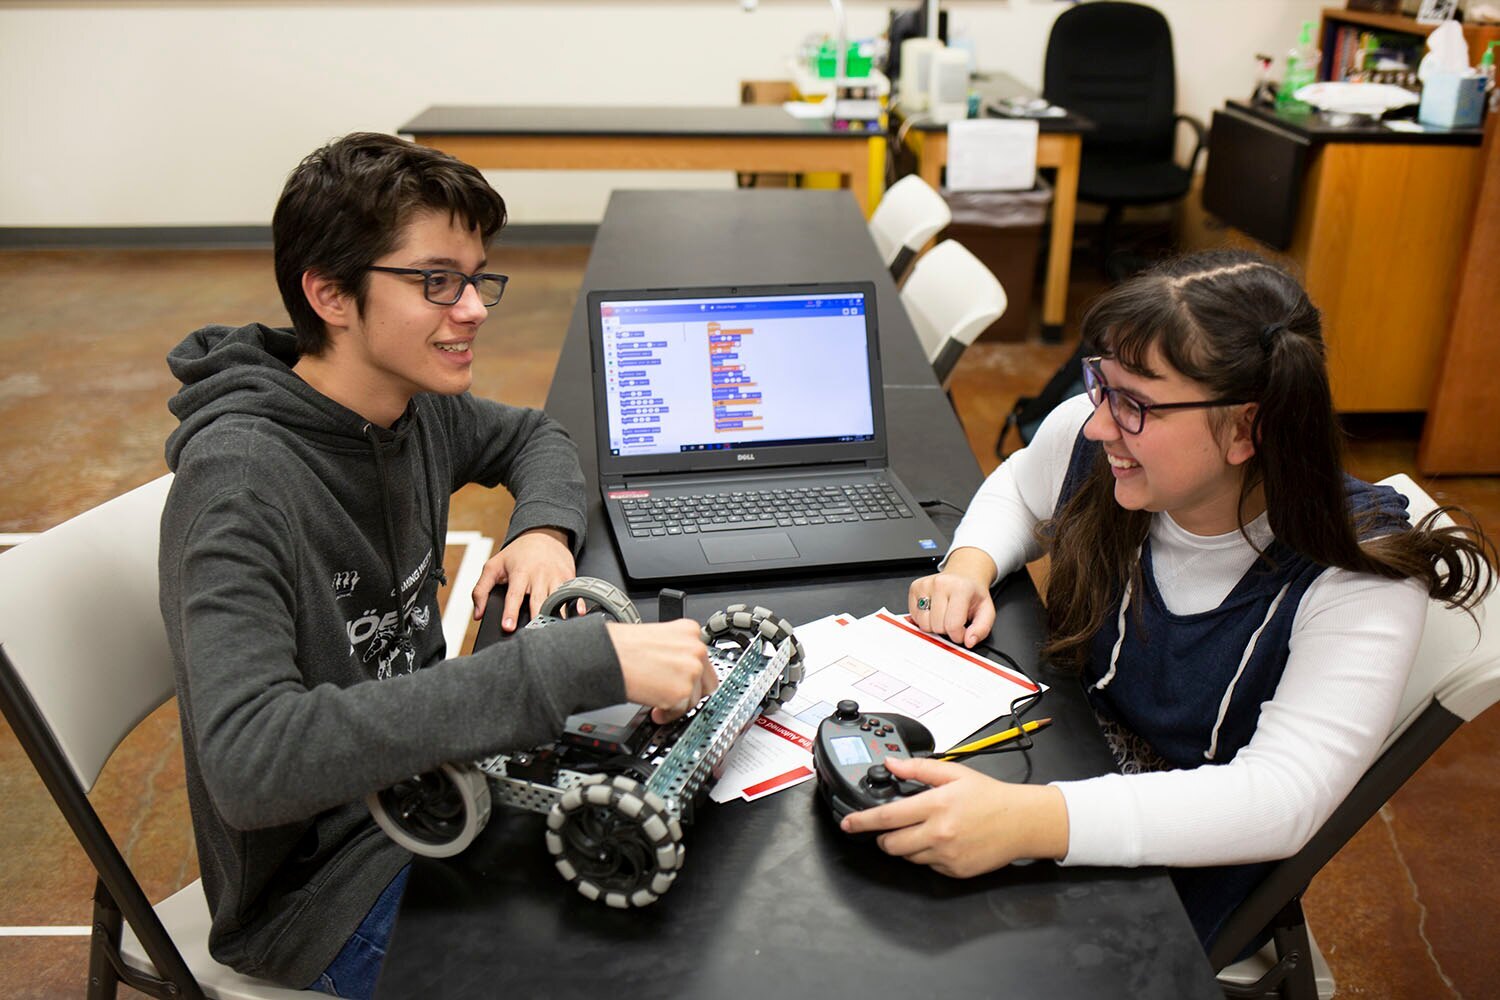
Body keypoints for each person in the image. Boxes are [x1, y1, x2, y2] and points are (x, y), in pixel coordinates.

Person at [158, 132, 717, 996]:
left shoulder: (410, 410)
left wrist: (543, 531)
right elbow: (249, 762)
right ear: (330, 293)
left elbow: (533, 436)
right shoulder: (240, 487)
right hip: (327, 893)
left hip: (442, 794)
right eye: (435, 282)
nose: (473, 309)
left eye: (476, 278)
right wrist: (563, 667)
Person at [843, 249, 1493, 953]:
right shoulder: (1116, 449)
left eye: (1135, 405)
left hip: (1178, 855)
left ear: (1247, 429)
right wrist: (970, 565)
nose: (1099, 424)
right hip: (1066, 761)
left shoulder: (1357, 577)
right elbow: (1024, 486)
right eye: (1102, 385)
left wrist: (1027, 821)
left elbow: (1282, 796)